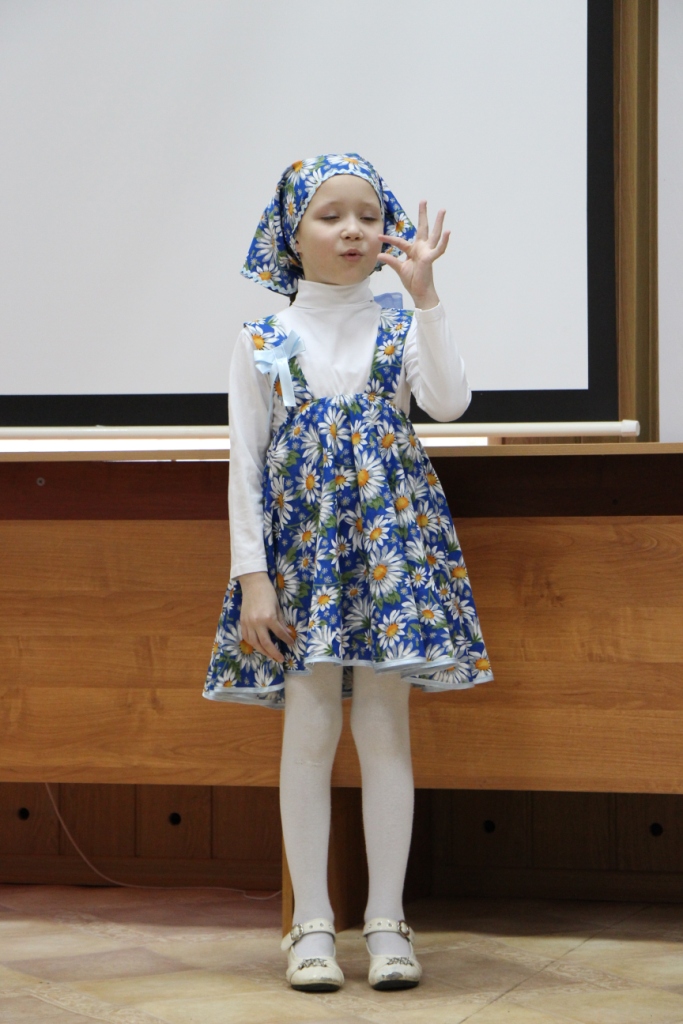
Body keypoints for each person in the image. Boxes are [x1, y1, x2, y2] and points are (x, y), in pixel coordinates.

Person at [204, 153, 493, 992]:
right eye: (329, 216)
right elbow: (245, 467)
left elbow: (448, 403)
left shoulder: (400, 326)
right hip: (303, 563)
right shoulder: (262, 339)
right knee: (307, 732)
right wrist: (253, 579)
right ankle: (311, 927)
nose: (353, 230)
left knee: (383, 729)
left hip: (388, 557)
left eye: (367, 214)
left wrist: (426, 295)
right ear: (290, 236)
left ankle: (388, 923)